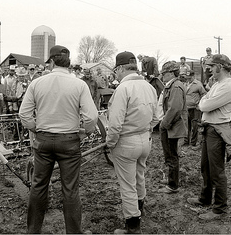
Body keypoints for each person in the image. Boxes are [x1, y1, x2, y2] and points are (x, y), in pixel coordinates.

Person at [19, 45, 98, 234]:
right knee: (70, 189)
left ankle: (33, 231)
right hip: (69, 140)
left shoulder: (37, 83)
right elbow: (92, 117)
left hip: (43, 140)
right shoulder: (79, 84)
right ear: (68, 63)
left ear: (52, 62)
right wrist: (84, 132)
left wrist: (35, 128)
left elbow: (24, 114)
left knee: (38, 186)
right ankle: (73, 232)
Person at [105, 51, 160, 234]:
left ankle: (132, 226)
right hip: (145, 139)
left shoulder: (123, 89)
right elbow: (156, 117)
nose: (116, 75)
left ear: (120, 68)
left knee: (127, 185)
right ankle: (140, 209)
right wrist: (146, 131)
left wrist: (110, 143)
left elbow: (115, 124)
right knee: (139, 176)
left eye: (116, 71)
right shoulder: (149, 87)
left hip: (126, 142)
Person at [186, 54, 231, 220]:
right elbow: (204, 102)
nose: (208, 69)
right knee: (206, 168)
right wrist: (204, 101)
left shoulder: (228, 86)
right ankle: (205, 199)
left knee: (217, 171)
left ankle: (220, 209)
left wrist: (204, 102)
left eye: (211, 66)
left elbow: (205, 104)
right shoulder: (218, 84)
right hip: (210, 129)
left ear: (220, 67)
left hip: (217, 130)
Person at [157, 61, 188, 195]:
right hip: (170, 126)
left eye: (164, 73)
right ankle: (171, 178)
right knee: (169, 154)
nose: (162, 76)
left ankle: (173, 185)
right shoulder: (172, 85)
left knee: (172, 155)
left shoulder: (175, 87)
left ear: (171, 73)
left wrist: (164, 124)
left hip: (171, 126)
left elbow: (175, 109)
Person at [183, 69, 206, 148]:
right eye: (187, 77)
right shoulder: (185, 84)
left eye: (190, 77)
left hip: (195, 109)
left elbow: (204, 94)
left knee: (195, 126)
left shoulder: (198, 84)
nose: (188, 79)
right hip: (187, 108)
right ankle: (186, 141)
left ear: (193, 76)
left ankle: (193, 142)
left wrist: (199, 104)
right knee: (186, 125)